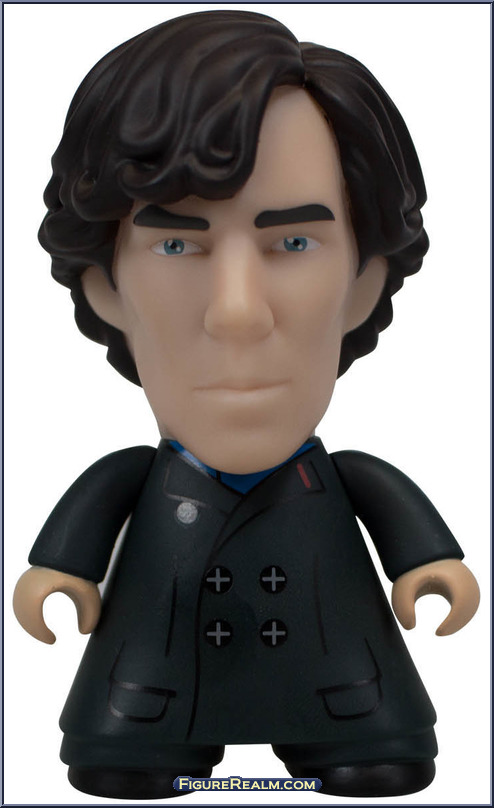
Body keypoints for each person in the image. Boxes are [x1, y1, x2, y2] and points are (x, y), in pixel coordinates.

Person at [13, 10, 479, 800]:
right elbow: (76, 541)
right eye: (176, 244)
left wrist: (429, 563)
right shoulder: (130, 480)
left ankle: (353, 747)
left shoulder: (348, 480)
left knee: (376, 756)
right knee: (123, 761)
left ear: (364, 283)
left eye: (293, 243)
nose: (237, 312)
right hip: (150, 694)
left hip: (344, 689)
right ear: (105, 286)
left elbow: (406, 532)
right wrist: (60, 572)